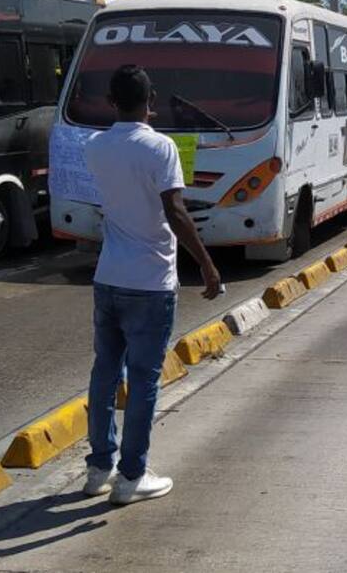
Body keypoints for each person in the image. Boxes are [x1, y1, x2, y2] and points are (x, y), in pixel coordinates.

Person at [82, 64, 222, 505]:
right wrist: (207, 264)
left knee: (104, 373)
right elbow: (175, 211)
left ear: (111, 101)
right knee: (143, 380)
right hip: (151, 281)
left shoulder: (95, 146)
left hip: (108, 277)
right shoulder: (160, 148)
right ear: (152, 100)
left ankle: (99, 467)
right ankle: (131, 477)